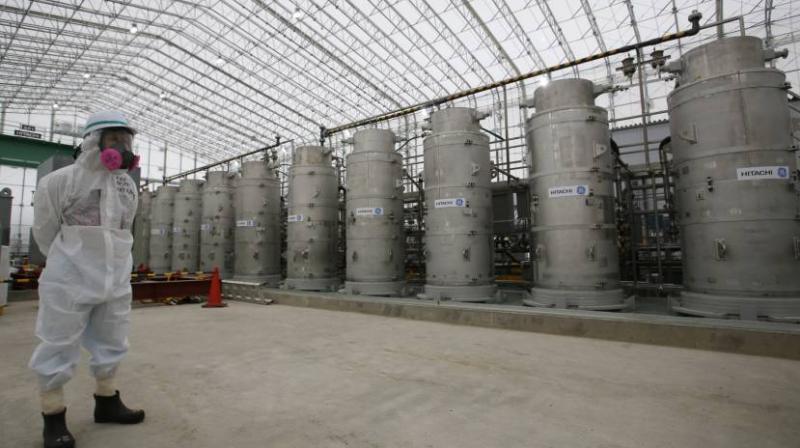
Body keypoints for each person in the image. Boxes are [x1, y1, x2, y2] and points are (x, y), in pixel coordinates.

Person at [29, 111, 145, 448]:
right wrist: (69, 264)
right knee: (57, 344)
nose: (123, 148)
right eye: (115, 141)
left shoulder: (126, 186)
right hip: (70, 279)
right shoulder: (60, 181)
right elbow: (45, 232)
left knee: (113, 339)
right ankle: (53, 417)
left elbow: (124, 229)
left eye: (127, 142)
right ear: (94, 143)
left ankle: (107, 402)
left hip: (116, 278)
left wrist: (115, 268)